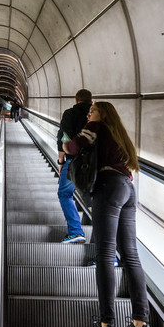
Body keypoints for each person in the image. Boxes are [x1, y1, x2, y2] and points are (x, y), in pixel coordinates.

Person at [63, 102, 153, 327]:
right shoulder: (119, 133)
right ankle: (140, 324)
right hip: (128, 189)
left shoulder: (96, 126)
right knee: (130, 255)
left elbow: (72, 146)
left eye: (92, 111)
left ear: (102, 114)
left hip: (108, 188)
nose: (89, 114)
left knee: (105, 254)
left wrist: (65, 142)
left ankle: (107, 325)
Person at [56, 89, 93, 243]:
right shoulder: (97, 115)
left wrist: (61, 160)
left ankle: (76, 231)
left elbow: (63, 136)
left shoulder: (70, 113)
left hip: (75, 162)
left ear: (76, 100)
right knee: (96, 202)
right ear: (91, 101)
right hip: (95, 164)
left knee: (64, 193)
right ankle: (105, 250)